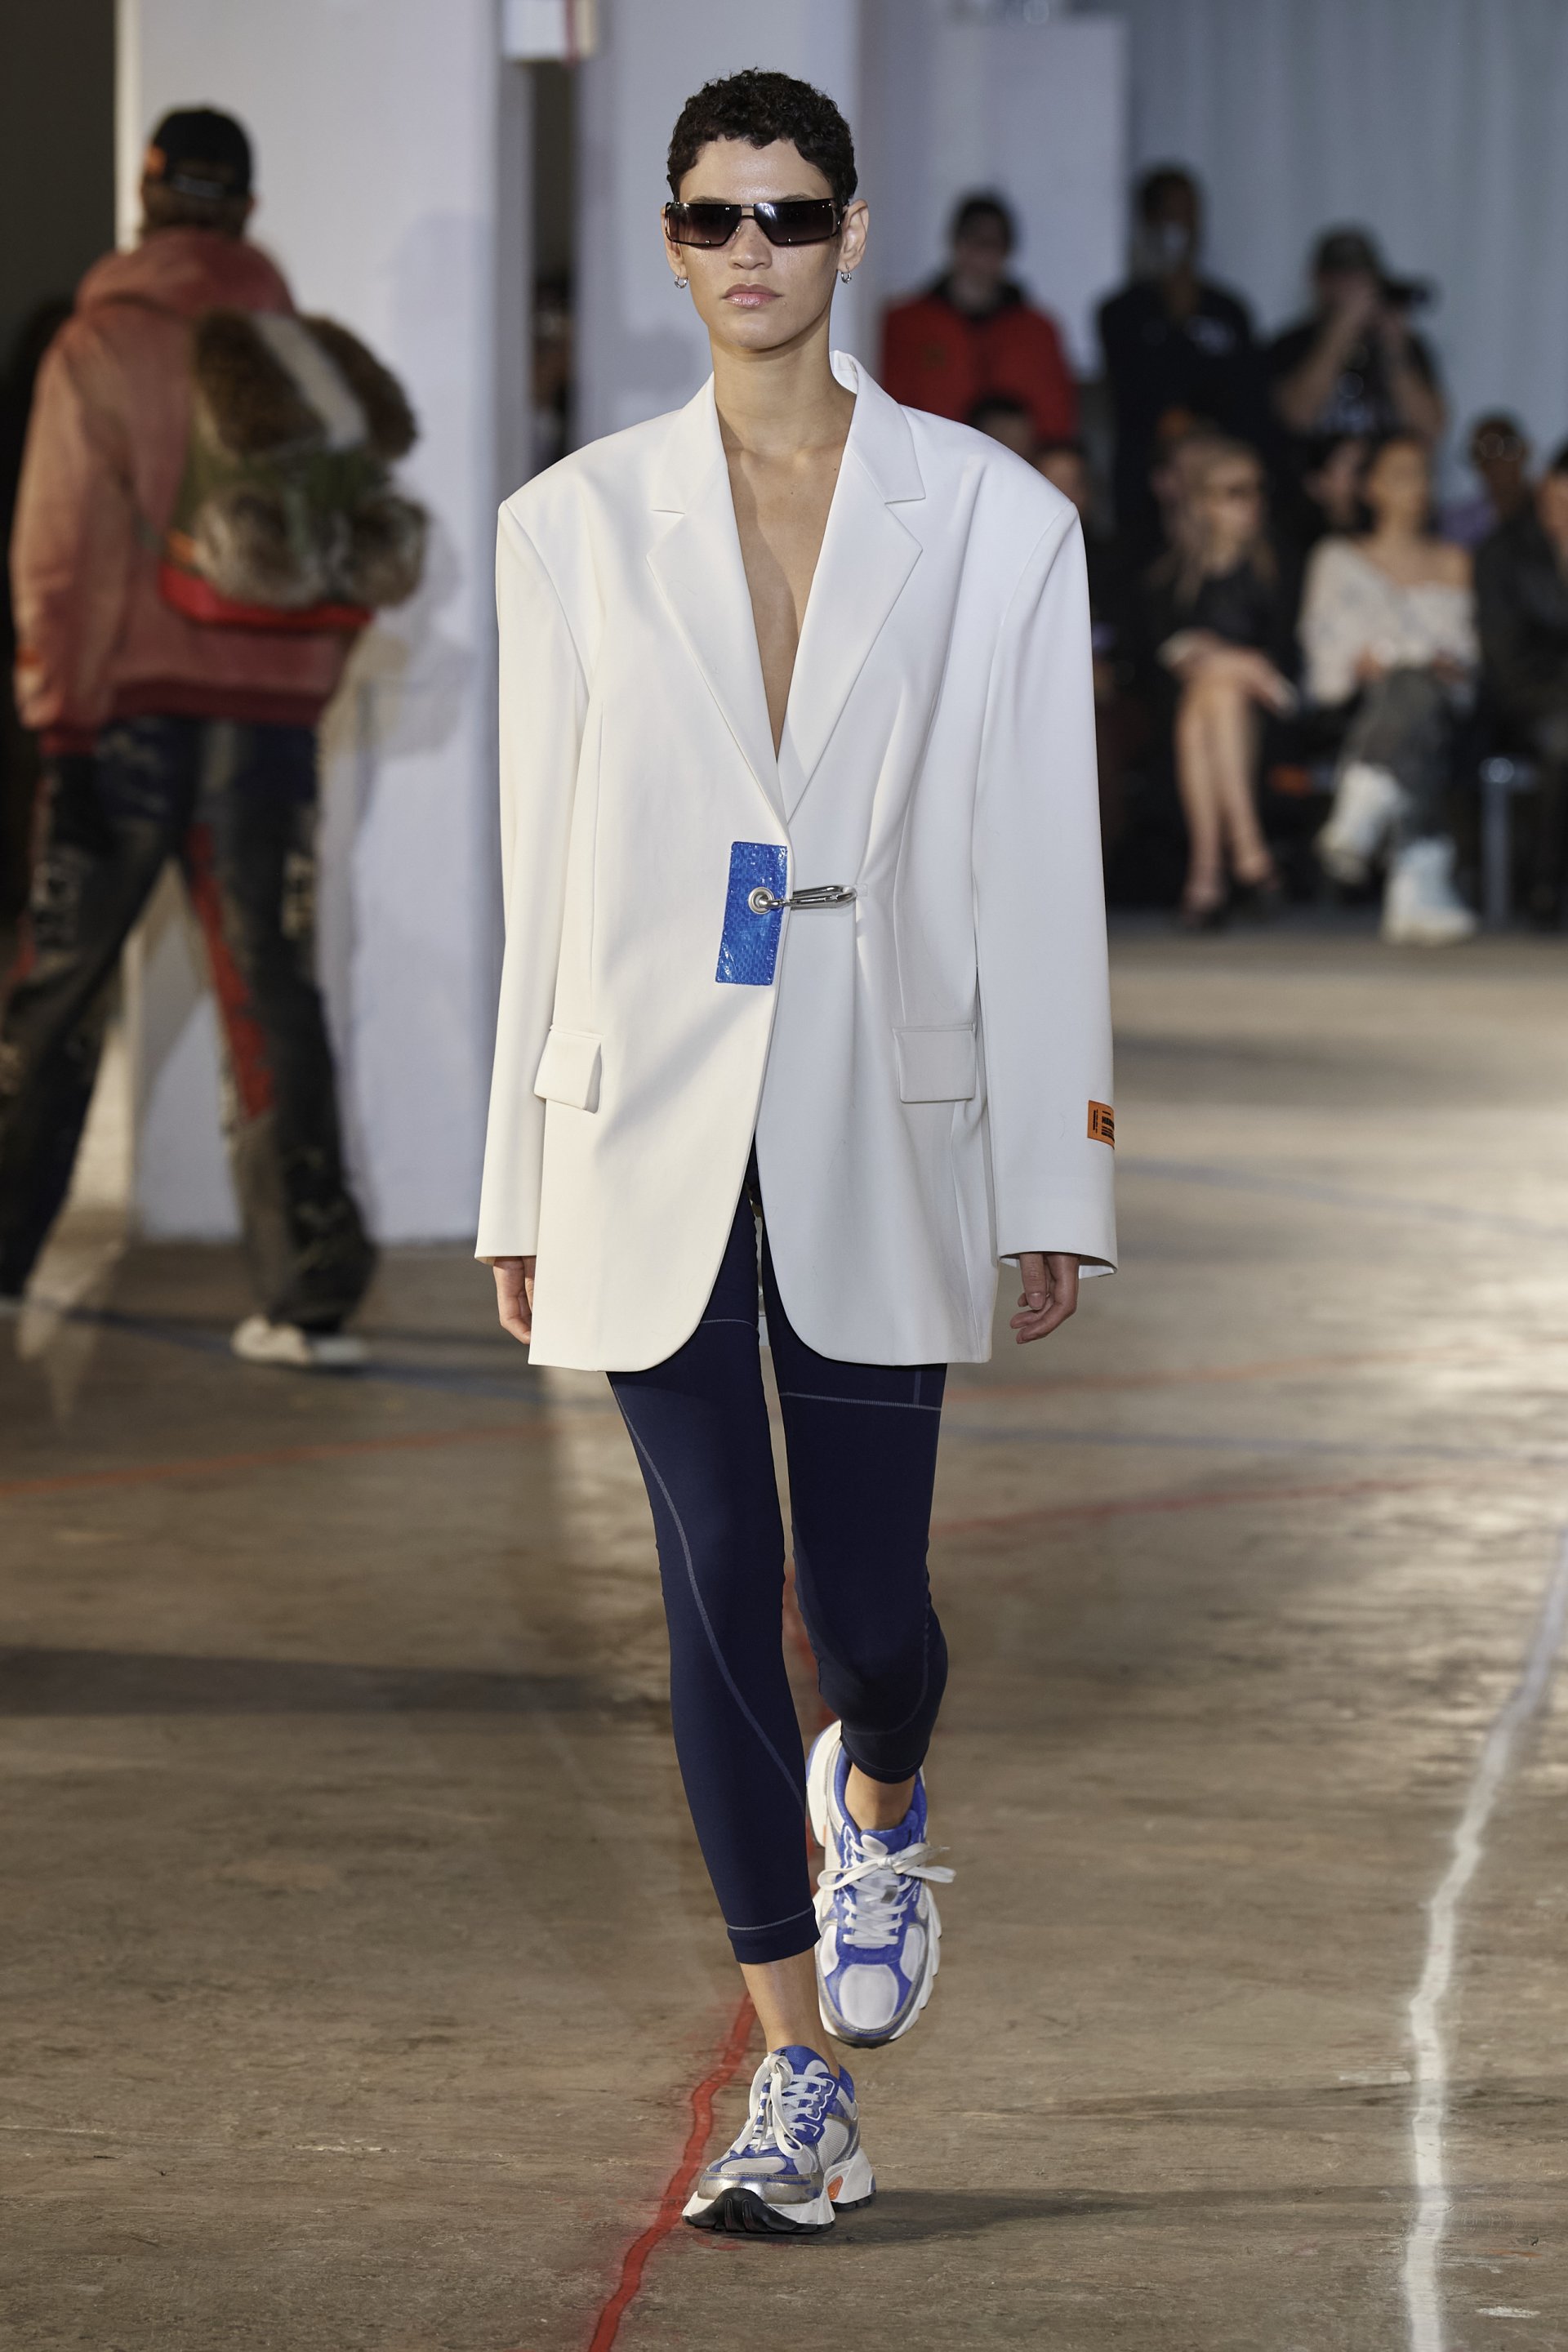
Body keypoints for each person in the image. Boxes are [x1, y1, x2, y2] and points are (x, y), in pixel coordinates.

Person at [478, 69, 1114, 2238]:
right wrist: (518, 1173)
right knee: (713, 1582)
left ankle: (891, 1793)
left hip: (880, 1103)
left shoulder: (994, 519)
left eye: (788, 213)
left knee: (869, 1614)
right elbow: (544, 868)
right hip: (644, 1111)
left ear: (850, 231)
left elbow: (1039, 857)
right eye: (712, 216)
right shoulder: (568, 527)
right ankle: (798, 2081)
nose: (750, 250)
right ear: (669, 242)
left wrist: (1059, 1167)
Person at [2, 108, 400, 1362]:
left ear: (148, 191)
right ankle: (310, 1302)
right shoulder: (296, 351)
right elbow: (354, 551)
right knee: (271, 993)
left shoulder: (98, 343)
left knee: (57, 991)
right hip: (265, 729)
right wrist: (297, 685)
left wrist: (57, 715)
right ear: (248, 208)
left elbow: (58, 551)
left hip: (123, 720)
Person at [1302, 434, 1477, 945]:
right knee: (1410, 693)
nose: (1417, 486)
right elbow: (1325, 653)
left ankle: (1363, 804)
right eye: (1401, 474)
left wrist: (1419, 660)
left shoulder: (1454, 560)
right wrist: (1386, 660)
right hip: (1356, 707)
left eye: (1424, 474)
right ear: (1371, 486)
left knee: (1416, 690)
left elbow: (1465, 652)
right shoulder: (1336, 557)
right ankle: (1417, 886)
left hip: (1440, 704)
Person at [1136, 437, 1297, 927]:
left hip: (1274, 717)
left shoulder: (1279, 565)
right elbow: (1161, 662)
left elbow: (1284, 666)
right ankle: (1248, 853)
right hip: (1196, 724)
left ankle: (1207, 873)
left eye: (1256, 490)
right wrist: (1239, 664)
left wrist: (1217, 658)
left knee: (1213, 695)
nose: (1251, 503)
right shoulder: (1169, 576)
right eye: (1234, 492)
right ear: (1203, 503)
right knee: (1212, 698)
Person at [1098, 166, 1266, 556]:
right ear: (1149, 224)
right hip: (1147, 487)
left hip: (1223, 483)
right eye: (1170, 214)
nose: (1182, 226)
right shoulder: (1121, 312)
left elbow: (1247, 400)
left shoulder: (1229, 311)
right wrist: (1173, 316)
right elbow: (1134, 397)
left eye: (1189, 213)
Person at [880, 189, 1076, 445]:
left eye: (993, 243)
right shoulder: (907, 324)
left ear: (1006, 251)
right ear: (956, 243)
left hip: (1015, 459)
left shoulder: (1038, 332)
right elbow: (890, 408)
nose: (982, 254)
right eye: (974, 240)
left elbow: (1058, 420)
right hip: (931, 452)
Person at [1476, 439, 1568, 925]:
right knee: (1563, 737)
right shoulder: (1504, 551)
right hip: (1524, 702)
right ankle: (1545, 882)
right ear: (1544, 491)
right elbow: (1506, 662)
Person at [1268, 228, 1446, 477]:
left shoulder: (1407, 345)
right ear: (1320, 281)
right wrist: (1342, 329)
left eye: (1362, 277)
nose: (1355, 288)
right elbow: (1297, 416)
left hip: (1386, 487)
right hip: (1313, 489)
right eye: (1343, 278)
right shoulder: (1291, 344)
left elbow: (1430, 427)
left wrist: (1395, 347)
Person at [1443, 412, 1533, 551]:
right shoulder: (1458, 523)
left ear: (1523, 450)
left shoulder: (1550, 509)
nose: (1493, 461)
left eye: (1504, 447)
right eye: (1480, 453)